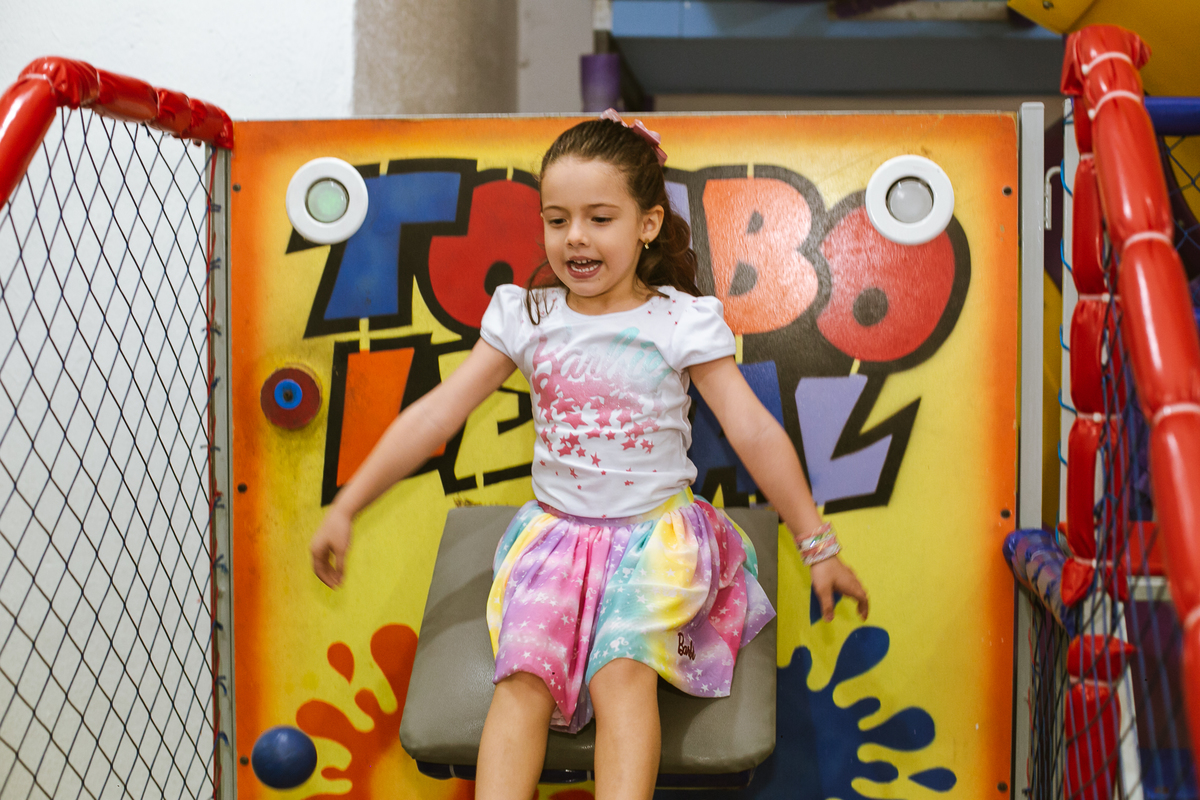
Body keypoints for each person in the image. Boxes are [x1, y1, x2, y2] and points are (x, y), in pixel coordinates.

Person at [309, 109, 869, 800]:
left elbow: (753, 431)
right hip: (557, 539)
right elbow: (437, 413)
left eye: (600, 218)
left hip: (655, 538)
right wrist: (347, 504)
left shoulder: (676, 320)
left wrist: (818, 545)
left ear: (648, 224)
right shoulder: (528, 316)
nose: (574, 237)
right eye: (557, 218)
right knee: (522, 679)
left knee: (621, 671)